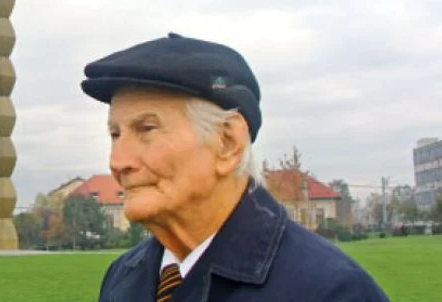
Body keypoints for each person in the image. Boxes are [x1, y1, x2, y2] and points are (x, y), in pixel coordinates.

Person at [80, 33, 389, 301]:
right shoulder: (123, 278)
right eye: (115, 134)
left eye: (147, 129)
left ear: (227, 142)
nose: (118, 162)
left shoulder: (331, 291)